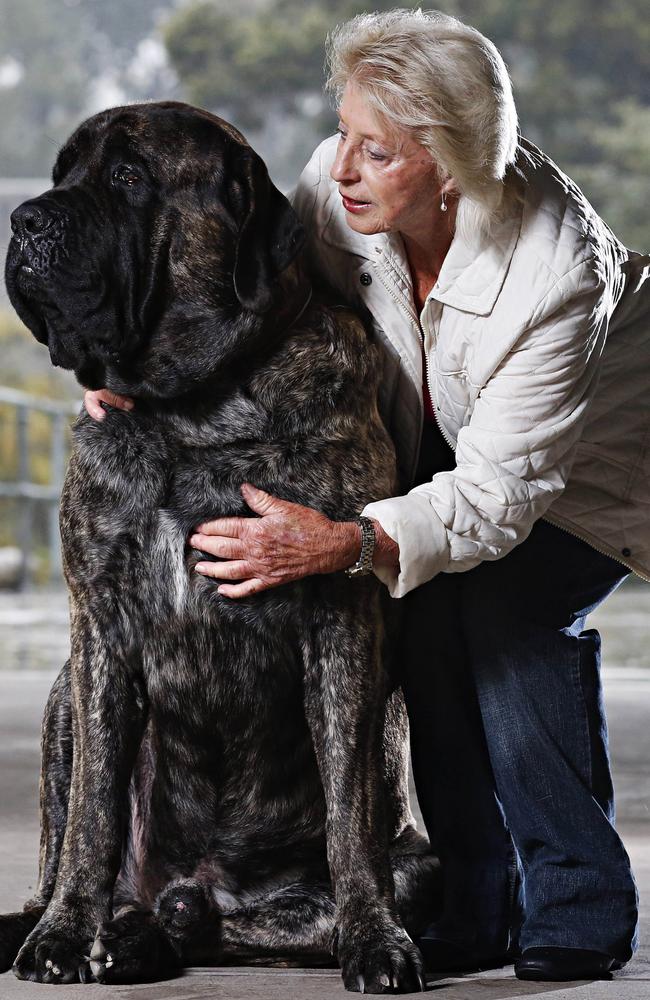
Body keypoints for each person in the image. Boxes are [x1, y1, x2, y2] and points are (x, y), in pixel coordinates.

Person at [84, 8, 649, 984]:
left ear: (452, 162)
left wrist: (342, 542)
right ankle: (478, 904)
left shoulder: (551, 272)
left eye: (374, 150)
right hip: (439, 439)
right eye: (340, 130)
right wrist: (133, 368)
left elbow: (497, 498)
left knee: (504, 617)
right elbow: (254, 302)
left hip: (586, 462)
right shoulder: (334, 186)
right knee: (422, 625)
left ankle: (576, 902)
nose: (339, 166)